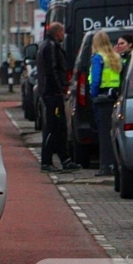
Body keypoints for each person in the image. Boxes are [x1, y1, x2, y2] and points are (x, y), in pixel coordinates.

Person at [36, 23, 81, 173]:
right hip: (53, 95)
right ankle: (46, 161)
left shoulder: (46, 45)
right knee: (53, 127)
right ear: (58, 33)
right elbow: (53, 70)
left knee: (60, 127)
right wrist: (60, 89)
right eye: (62, 32)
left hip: (51, 93)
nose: (64, 35)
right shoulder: (51, 47)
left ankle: (65, 159)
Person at [89, 31, 122, 177]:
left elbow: (95, 79)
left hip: (101, 97)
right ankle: (114, 164)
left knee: (103, 132)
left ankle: (105, 166)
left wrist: (93, 94)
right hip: (114, 96)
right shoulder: (116, 56)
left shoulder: (98, 58)